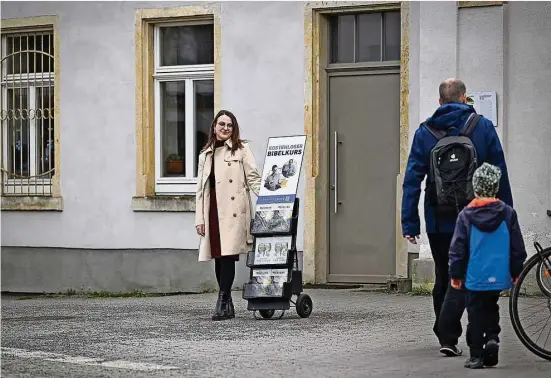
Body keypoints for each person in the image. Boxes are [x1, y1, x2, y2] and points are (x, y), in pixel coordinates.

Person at [401, 78, 513, 356]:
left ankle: (447, 338)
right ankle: (485, 334)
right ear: (465, 98)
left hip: (439, 220)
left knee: (445, 276)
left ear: (440, 102)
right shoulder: (482, 127)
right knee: (481, 275)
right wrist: (506, 214)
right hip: (479, 218)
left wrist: (410, 223)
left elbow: (412, 181)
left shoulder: (425, 133)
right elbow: (499, 174)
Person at [448, 163, 527, 368]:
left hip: (474, 275)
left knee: (475, 313)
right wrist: (516, 270)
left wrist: (455, 274)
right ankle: (493, 338)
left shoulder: (466, 215)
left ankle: (476, 355)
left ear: (475, 188)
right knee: (491, 307)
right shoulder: (508, 213)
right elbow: (517, 246)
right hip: (499, 274)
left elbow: (458, 248)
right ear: (496, 187)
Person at [195, 109, 261, 321]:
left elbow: (254, 179)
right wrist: (200, 219)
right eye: (221, 124)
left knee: (228, 257)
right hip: (213, 207)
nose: (225, 128)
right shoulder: (206, 154)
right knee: (218, 256)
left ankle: (223, 300)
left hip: (233, 210)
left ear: (234, 129)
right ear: (214, 127)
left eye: (229, 125)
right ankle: (227, 302)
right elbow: (200, 190)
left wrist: (273, 198)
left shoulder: (242, 150)